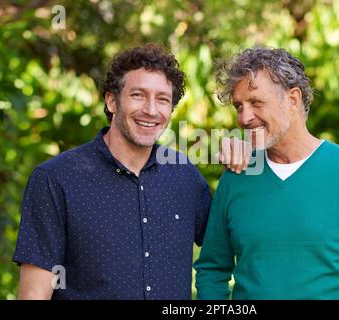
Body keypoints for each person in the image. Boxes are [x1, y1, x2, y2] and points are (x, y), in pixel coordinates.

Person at [194, 46, 339, 300]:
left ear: (293, 100)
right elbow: (212, 269)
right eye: (238, 106)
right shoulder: (236, 177)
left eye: (256, 103)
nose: (244, 118)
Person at [13, 43, 213, 300]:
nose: (151, 110)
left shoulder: (186, 177)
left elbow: (236, 246)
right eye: (138, 95)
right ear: (112, 101)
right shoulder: (56, 179)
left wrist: (246, 160)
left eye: (162, 99)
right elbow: (33, 294)